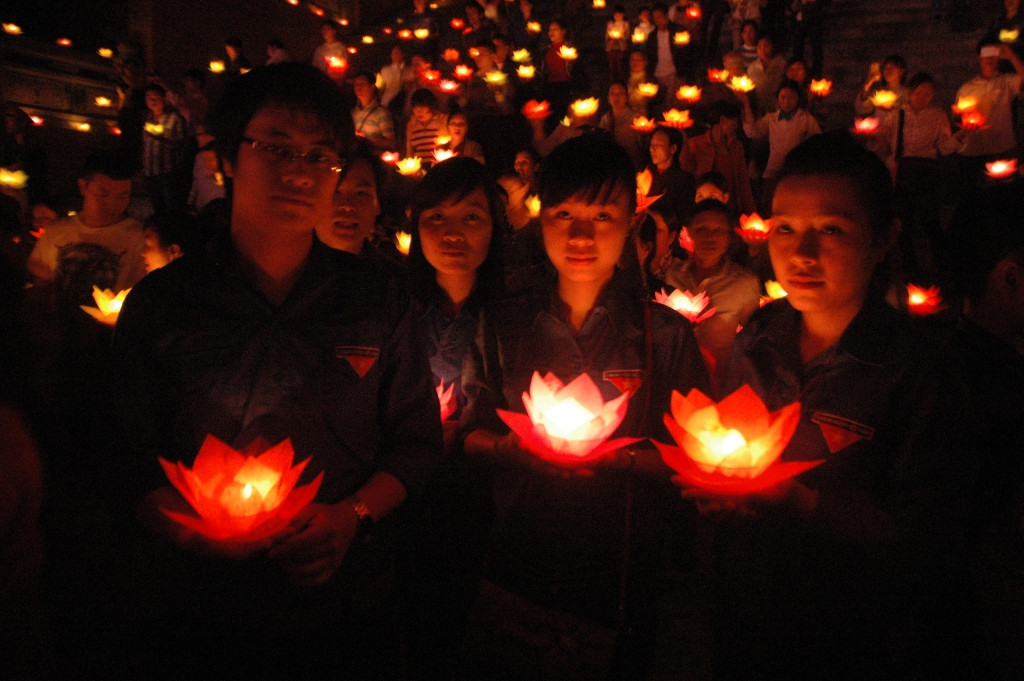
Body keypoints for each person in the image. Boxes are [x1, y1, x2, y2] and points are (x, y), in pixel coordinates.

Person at [107, 62, 441, 679]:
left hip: (348, 610)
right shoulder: (162, 304)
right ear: (229, 159)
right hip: (201, 619)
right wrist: (190, 535)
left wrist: (351, 516)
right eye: (277, 148)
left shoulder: (378, 299)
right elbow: (122, 457)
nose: (299, 173)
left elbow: (417, 442)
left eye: (320, 157)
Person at [697, 131, 973, 680]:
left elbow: (929, 541)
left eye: (831, 230)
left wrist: (800, 503)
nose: (801, 254)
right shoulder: (756, 340)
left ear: (883, 239)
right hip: (742, 616)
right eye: (784, 229)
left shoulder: (917, 371)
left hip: (852, 640)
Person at [460, 134, 710, 680]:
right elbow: (467, 430)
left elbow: (698, 457)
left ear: (631, 222)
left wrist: (617, 460)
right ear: (539, 217)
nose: (580, 235)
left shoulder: (661, 335)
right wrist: (505, 448)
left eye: (602, 214)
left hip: (619, 572)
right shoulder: (504, 323)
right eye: (564, 213)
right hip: (516, 562)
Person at [875, 71, 966, 277]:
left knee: (930, 221)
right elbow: (883, 145)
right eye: (918, 92)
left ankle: (943, 268)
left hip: (927, 172)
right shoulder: (896, 115)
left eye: (928, 93)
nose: (922, 97)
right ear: (909, 92)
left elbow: (944, 147)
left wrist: (963, 132)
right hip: (903, 171)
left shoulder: (937, 115)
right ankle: (911, 270)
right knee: (904, 223)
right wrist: (871, 137)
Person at [663, 199, 760, 387]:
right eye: (702, 230)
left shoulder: (744, 283)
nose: (710, 237)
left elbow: (751, 342)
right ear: (689, 232)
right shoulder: (673, 276)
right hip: (673, 379)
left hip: (718, 384)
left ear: (729, 236)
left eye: (719, 231)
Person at [27, 150, 146, 297]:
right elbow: (41, 284)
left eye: (123, 196)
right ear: (83, 186)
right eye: (102, 195)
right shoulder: (56, 231)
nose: (112, 204)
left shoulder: (138, 238)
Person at [741, 78, 821, 208]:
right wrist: (746, 105)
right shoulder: (771, 119)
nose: (786, 101)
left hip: (795, 173)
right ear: (777, 98)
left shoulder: (806, 119)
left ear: (798, 98)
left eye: (791, 97)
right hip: (773, 171)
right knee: (769, 207)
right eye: (783, 97)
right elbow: (752, 132)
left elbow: (817, 142)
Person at [955, 41, 1023, 184]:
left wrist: (1012, 56)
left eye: (993, 55)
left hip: (1002, 149)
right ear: (979, 59)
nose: (989, 59)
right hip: (972, 151)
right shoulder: (967, 88)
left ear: (998, 58)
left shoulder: (1007, 81)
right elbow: (958, 118)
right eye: (986, 55)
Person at [680, 99, 757, 215]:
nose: (736, 126)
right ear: (722, 120)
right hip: (705, 206)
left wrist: (752, 212)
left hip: (731, 207)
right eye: (734, 121)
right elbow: (686, 174)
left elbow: (743, 181)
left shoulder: (736, 146)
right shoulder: (695, 144)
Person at [315, 139, 387, 257]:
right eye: (335, 192)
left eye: (360, 193)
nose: (347, 206)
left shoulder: (392, 274)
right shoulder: (282, 270)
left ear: (377, 205)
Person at [141, 83, 191, 214]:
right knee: (157, 208)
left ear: (164, 98)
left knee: (172, 208)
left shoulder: (174, 118)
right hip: (150, 171)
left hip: (168, 171)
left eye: (155, 98)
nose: (152, 101)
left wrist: (160, 138)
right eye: (148, 98)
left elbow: (182, 143)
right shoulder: (147, 118)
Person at [647, 126, 696, 221]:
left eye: (659, 145)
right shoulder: (646, 174)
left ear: (673, 148)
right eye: (651, 144)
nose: (652, 149)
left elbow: (683, 214)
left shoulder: (684, 180)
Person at [599, 81, 645, 169]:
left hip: (631, 164)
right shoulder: (605, 119)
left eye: (620, 93)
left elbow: (643, 145)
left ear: (627, 98)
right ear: (608, 98)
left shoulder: (636, 118)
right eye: (612, 93)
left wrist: (644, 135)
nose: (616, 96)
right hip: (611, 165)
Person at [351, 71, 396, 152]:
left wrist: (367, 141)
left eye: (362, 84)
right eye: (356, 84)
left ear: (372, 87)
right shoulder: (353, 113)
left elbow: (390, 142)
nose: (358, 88)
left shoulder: (381, 113)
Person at [854, 53, 908, 119]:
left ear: (901, 71)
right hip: (880, 128)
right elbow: (862, 109)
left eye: (891, 67)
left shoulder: (908, 93)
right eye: (885, 68)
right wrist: (867, 85)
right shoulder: (878, 92)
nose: (888, 70)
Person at [406, 88, 449, 161]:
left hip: (437, 166)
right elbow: (409, 150)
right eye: (415, 108)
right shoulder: (412, 125)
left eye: (423, 106)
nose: (419, 111)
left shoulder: (441, 121)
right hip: (418, 168)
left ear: (431, 106)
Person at [606, 5, 631, 83]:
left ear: (624, 15)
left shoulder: (625, 24)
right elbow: (606, 36)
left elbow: (627, 36)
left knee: (621, 66)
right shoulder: (610, 24)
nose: (618, 16)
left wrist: (621, 37)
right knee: (612, 66)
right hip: (612, 47)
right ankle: (612, 82)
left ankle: (621, 82)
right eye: (616, 15)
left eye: (620, 14)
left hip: (621, 48)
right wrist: (611, 37)